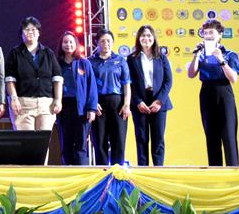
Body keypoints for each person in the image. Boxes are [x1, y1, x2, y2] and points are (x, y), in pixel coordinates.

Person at [187, 19, 239, 166]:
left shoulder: (229, 54)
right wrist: (196, 55)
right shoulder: (201, 54)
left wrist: (221, 60)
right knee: (211, 135)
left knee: (229, 134)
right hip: (207, 92)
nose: (208, 36)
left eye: (211, 32)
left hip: (224, 91)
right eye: (205, 33)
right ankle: (215, 170)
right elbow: (191, 74)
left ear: (220, 35)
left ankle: (233, 169)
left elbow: (233, 78)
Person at [5, 17, 63, 132]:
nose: (30, 32)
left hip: (46, 105)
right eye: (27, 29)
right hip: (23, 104)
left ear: (39, 32)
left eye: (33, 29)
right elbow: (10, 79)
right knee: (26, 140)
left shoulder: (48, 53)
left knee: (43, 141)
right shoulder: (15, 53)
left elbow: (57, 79)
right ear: (21, 33)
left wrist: (58, 99)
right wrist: (14, 99)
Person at [127, 25, 172, 167]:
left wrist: (159, 101)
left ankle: (158, 169)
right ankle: (143, 169)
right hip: (140, 101)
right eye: (143, 36)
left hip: (158, 101)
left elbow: (168, 81)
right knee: (141, 138)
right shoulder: (131, 59)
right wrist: (138, 101)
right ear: (138, 38)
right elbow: (129, 83)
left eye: (149, 36)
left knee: (158, 138)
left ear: (154, 38)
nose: (146, 38)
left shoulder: (161, 57)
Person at [89, 30, 131, 165]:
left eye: (109, 41)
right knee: (100, 141)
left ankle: (117, 173)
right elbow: (87, 85)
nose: (106, 44)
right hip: (98, 105)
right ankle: (102, 173)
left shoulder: (120, 60)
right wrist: (92, 103)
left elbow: (126, 84)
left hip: (118, 104)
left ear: (113, 43)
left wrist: (126, 104)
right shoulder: (90, 62)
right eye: (102, 41)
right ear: (97, 43)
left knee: (118, 140)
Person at [56, 31, 97, 166]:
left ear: (76, 44)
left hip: (82, 109)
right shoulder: (56, 64)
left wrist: (92, 109)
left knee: (81, 145)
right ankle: (68, 174)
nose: (68, 45)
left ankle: (82, 174)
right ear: (61, 45)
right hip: (64, 108)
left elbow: (92, 87)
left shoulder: (84, 63)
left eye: (71, 42)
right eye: (65, 42)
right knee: (66, 145)